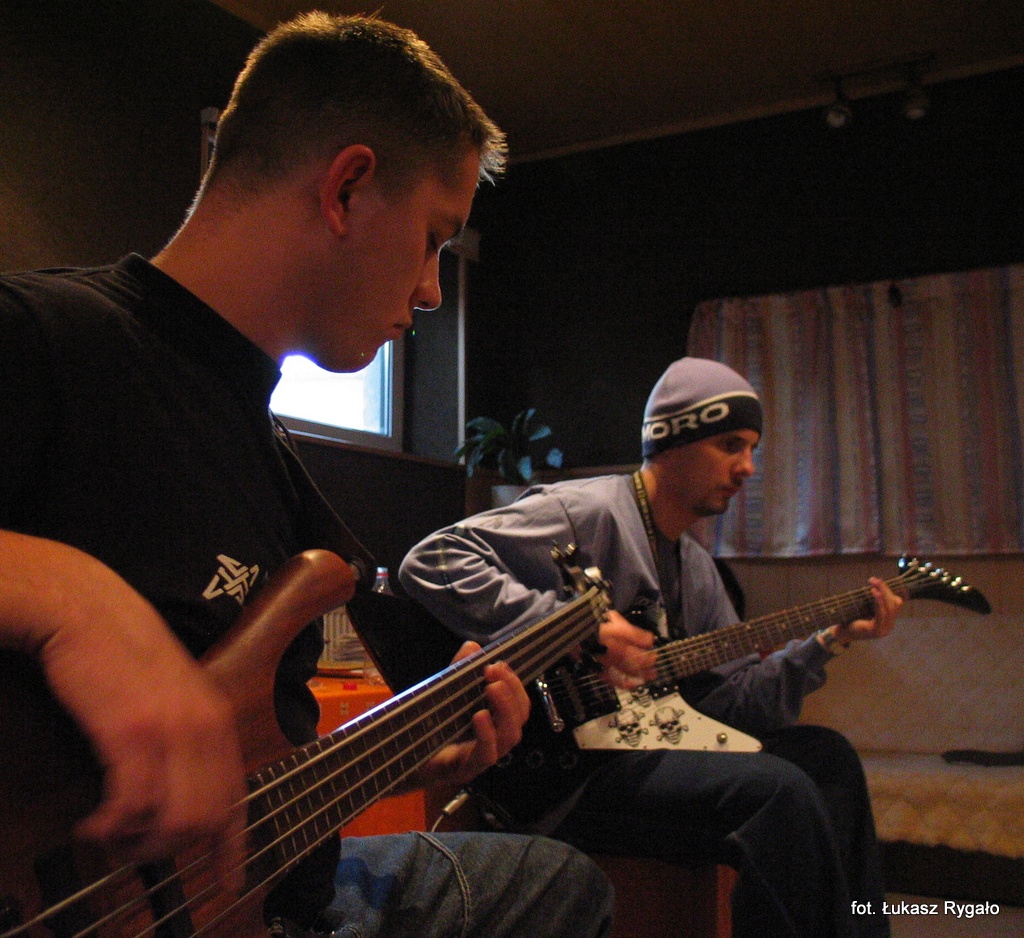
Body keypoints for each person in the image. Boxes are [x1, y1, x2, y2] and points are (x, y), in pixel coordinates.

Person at [0, 13, 612, 938]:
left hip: (259, 893)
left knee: (561, 882)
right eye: (433, 238)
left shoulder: (267, 453)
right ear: (347, 189)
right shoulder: (45, 337)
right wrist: (68, 599)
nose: (431, 290)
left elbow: (252, 751)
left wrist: (400, 754)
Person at [400, 356, 905, 938]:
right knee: (778, 793)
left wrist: (827, 642)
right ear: (671, 441)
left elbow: (734, 705)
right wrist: (573, 627)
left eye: (751, 450)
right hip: (564, 775)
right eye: (730, 445)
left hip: (643, 749)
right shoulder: (588, 510)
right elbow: (432, 560)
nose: (747, 467)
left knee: (827, 758)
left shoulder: (696, 566)